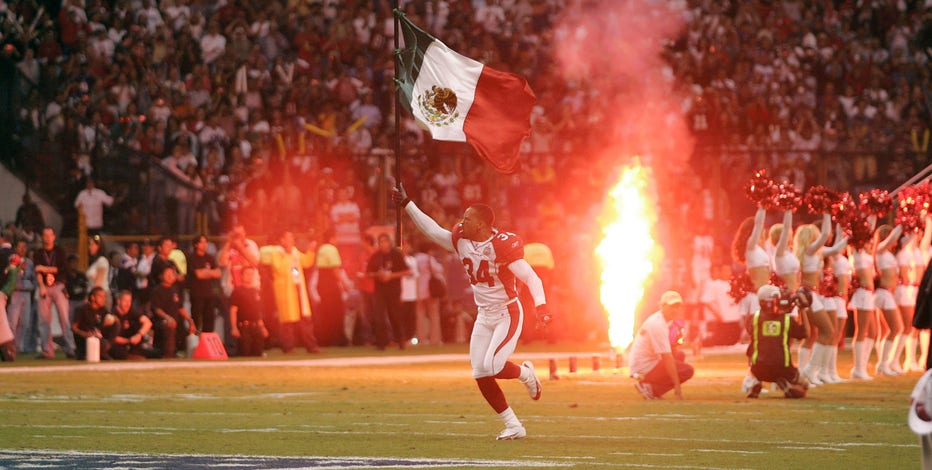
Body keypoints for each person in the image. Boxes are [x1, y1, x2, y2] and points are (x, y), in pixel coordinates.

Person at [393, 184, 549, 440]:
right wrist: (407, 203)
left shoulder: (501, 246)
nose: (461, 222)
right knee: (480, 371)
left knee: (494, 365)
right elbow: (433, 230)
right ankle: (513, 425)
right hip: (484, 315)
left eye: (468, 218)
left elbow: (532, 278)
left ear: (481, 225)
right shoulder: (462, 241)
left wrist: (541, 307)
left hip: (507, 312)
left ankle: (526, 374)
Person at [746, 285, 811, 398]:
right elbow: (806, 333)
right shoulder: (786, 319)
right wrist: (802, 310)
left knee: (755, 350)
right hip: (783, 368)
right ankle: (784, 383)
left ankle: (756, 381)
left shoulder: (753, 318)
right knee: (805, 386)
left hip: (758, 368)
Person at [628, 291, 694, 400]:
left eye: (678, 306)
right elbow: (667, 357)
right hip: (643, 367)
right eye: (672, 306)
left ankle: (651, 386)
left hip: (644, 364)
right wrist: (677, 385)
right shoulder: (658, 324)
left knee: (679, 355)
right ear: (662, 306)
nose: (676, 310)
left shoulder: (663, 320)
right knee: (687, 371)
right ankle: (651, 388)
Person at [261, 230, 319, 353]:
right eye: (289, 237)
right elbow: (280, 269)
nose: (292, 239)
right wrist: (287, 255)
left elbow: (306, 262)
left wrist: (311, 251)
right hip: (285, 291)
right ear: (282, 240)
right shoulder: (277, 253)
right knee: (287, 321)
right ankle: (288, 347)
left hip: (297, 287)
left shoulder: (294, 251)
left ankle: (311, 346)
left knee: (305, 318)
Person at [365, 233, 412, 350]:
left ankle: (400, 340)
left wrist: (391, 276)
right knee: (379, 316)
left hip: (394, 289)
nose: (383, 244)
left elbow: (407, 271)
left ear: (389, 242)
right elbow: (368, 273)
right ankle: (381, 342)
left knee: (395, 315)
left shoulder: (396, 254)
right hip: (380, 290)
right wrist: (378, 275)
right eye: (380, 242)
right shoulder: (375, 256)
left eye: (385, 241)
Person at [35, 227, 76, 359]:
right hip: (45, 286)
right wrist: (41, 286)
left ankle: (70, 348)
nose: (47, 238)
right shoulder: (39, 253)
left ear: (54, 237)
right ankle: (47, 350)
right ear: (42, 237)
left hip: (58, 286)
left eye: (49, 235)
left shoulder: (59, 251)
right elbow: (37, 271)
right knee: (44, 320)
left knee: (64, 317)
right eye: (45, 235)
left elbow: (62, 268)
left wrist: (45, 268)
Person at [150, 265, 196, 358]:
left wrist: (189, 320)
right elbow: (156, 308)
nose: (170, 276)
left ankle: (179, 352)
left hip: (176, 320)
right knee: (169, 325)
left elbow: (180, 307)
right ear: (161, 276)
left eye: (172, 274)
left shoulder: (175, 289)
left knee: (187, 329)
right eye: (167, 274)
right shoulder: (157, 290)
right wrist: (167, 317)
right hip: (161, 321)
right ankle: (168, 355)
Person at [101, 290, 157, 359]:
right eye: (125, 301)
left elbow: (148, 323)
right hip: (117, 345)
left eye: (129, 301)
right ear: (118, 301)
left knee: (154, 354)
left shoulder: (132, 311)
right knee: (120, 353)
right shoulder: (112, 315)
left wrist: (139, 335)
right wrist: (128, 341)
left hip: (133, 344)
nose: (128, 304)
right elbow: (112, 338)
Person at [228, 266, 268, 356]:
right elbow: (233, 310)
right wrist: (234, 328)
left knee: (258, 352)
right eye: (247, 274)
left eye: (251, 274)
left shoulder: (255, 291)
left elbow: (257, 312)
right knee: (245, 351)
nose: (249, 276)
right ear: (242, 276)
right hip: (244, 326)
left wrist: (262, 327)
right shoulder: (237, 291)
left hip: (255, 327)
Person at [7, 240, 37, 354]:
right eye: (20, 247)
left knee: (25, 322)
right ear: (15, 248)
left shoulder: (29, 262)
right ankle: (10, 347)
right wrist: (19, 267)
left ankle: (19, 347)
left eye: (24, 247)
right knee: (13, 321)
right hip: (15, 292)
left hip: (27, 292)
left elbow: (33, 277)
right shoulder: (11, 260)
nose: (22, 249)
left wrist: (33, 287)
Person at [188, 234, 222, 333]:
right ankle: (194, 342)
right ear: (196, 244)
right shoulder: (192, 258)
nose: (204, 244)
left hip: (209, 294)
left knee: (209, 320)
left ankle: (206, 342)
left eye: (206, 242)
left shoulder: (209, 257)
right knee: (196, 319)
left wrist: (205, 272)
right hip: (197, 294)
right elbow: (198, 275)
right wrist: (210, 272)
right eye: (201, 242)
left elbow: (218, 273)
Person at [71, 286, 110, 360]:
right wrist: (84, 334)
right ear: (93, 297)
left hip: (98, 336)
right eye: (100, 296)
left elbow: (109, 319)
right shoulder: (83, 309)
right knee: (102, 344)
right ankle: (84, 353)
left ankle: (104, 352)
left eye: (104, 296)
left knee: (115, 324)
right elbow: (73, 327)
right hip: (85, 339)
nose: (103, 299)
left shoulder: (103, 309)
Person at [85, 235, 111, 309]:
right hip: (94, 295)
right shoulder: (95, 262)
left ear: (98, 246)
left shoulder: (102, 260)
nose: (90, 247)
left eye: (92, 244)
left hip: (100, 296)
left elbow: (98, 282)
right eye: (89, 244)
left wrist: (91, 297)